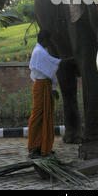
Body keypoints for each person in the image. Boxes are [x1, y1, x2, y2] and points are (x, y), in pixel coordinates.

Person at [27, 30, 61, 159]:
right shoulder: (39, 52)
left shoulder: (41, 51)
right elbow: (53, 64)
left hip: (45, 86)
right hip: (41, 86)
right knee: (38, 115)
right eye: (48, 40)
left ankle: (44, 147)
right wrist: (66, 61)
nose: (50, 42)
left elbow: (50, 67)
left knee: (46, 115)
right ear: (44, 40)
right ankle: (34, 147)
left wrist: (52, 88)